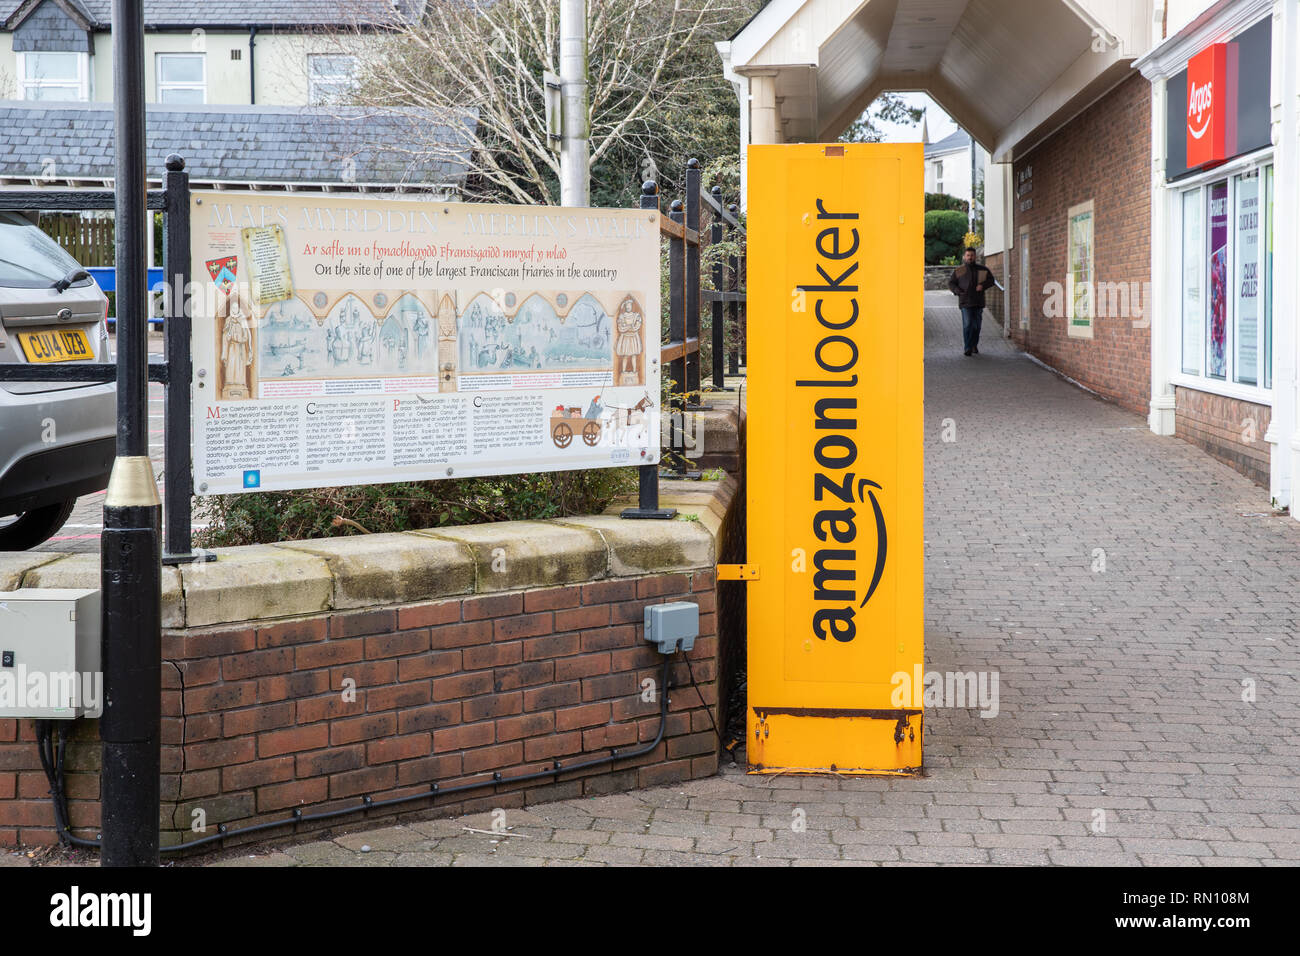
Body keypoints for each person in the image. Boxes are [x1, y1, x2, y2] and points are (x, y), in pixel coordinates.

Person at [948, 247, 996, 356]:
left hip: (978, 302)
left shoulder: (982, 269)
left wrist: (983, 286)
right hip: (965, 302)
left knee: (976, 326)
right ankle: (967, 347)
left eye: (972, 255)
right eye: (968, 255)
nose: (970, 257)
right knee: (968, 325)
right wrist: (957, 291)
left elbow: (991, 280)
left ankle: (974, 344)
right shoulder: (959, 270)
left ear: (975, 257)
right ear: (964, 257)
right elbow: (951, 283)